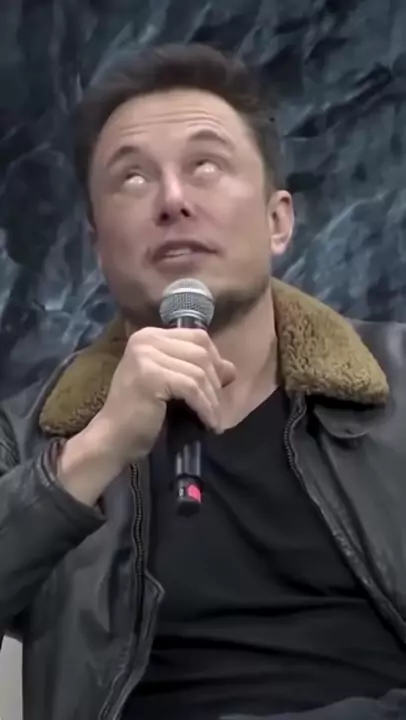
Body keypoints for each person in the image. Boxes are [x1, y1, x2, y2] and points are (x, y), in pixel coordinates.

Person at [1, 42, 406, 720]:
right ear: (98, 245)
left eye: (206, 165)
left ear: (278, 221)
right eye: (133, 177)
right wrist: (94, 450)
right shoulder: (30, 433)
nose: (173, 200)